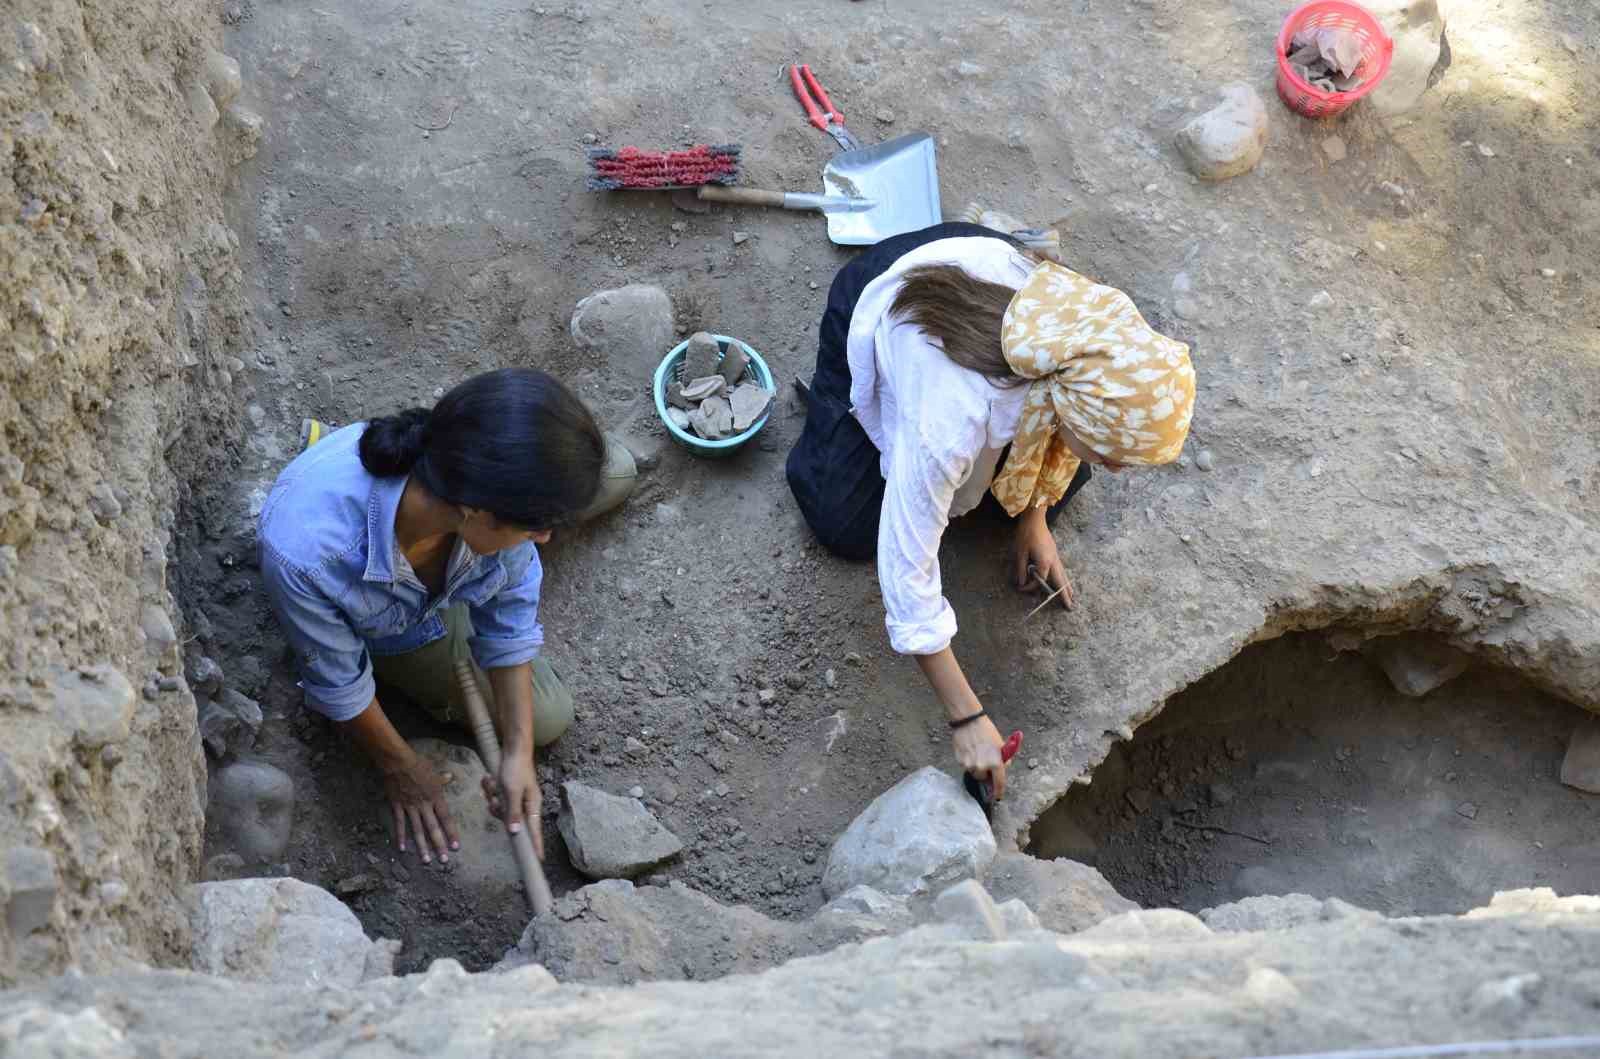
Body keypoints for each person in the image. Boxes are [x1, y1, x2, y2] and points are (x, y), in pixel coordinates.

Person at [787, 222, 1196, 803]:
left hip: (977, 270)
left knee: (1067, 478)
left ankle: (1030, 494)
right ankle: (834, 410)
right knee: (844, 522)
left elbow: (1052, 441)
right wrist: (966, 718)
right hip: (890, 294)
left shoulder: (1094, 345)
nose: (1118, 471)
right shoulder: (948, 422)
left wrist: (1034, 518)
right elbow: (907, 569)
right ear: (1068, 406)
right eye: (1114, 451)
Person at [258, 368, 633, 865]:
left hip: (455, 535)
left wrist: (518, 753)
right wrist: (400, 766)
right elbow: (339, 681)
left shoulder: (467, 483)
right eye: (537, 528)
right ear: (477, 513)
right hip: (391, 622)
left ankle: (545, 498)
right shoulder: (306, 556)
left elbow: (511, 608)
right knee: (550, 715)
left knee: (612, 469)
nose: (545, 539)